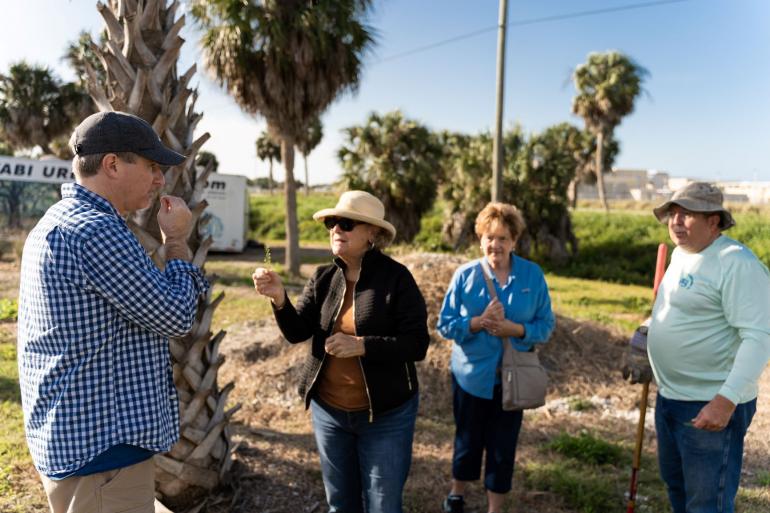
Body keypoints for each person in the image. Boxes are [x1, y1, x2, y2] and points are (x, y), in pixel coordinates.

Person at [17, 111, 209, 513]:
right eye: (152, 166)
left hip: (81, 445)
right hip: (103, 455)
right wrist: (176, 241)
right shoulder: (96, 230)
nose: (160, 180)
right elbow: (176, 317)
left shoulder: (59, 220)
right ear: (112, 165)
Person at [252, 190, 429, 513]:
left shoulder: (397, 279)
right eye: (333, 223)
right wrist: (279, 299)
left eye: (346, 224)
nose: (336, 230)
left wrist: (361, 346)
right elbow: (298, 332)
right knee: (340, 504)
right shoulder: (323, 277)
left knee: (383, 505)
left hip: (386, 415)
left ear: (371, 233)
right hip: (330, 413)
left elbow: (417, 344)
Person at [645, 182, 770, 513]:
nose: (676, 222)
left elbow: (759, 337)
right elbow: (674, 310)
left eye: (686, 215)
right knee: (678, 490)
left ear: (714, 221)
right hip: (670, 398)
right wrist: (646, 333)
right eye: (673, 213)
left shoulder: (736, 263)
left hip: (708, 405)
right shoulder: (680, 255)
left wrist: (724, 402)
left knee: (706, 505)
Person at [437, 202, 555, 513]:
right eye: (489, 237)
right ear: (480, 240)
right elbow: (444, 324)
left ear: (514, 241)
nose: (495, 244)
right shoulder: (465, 276)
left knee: (503, 448)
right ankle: (456, 495)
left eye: (503, 238)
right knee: (467, 441)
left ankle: (494, 509)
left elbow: (545, 326)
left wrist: (513, 329)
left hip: (513, 379)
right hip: (471, 377)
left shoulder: (532, 276)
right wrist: (477, 322)